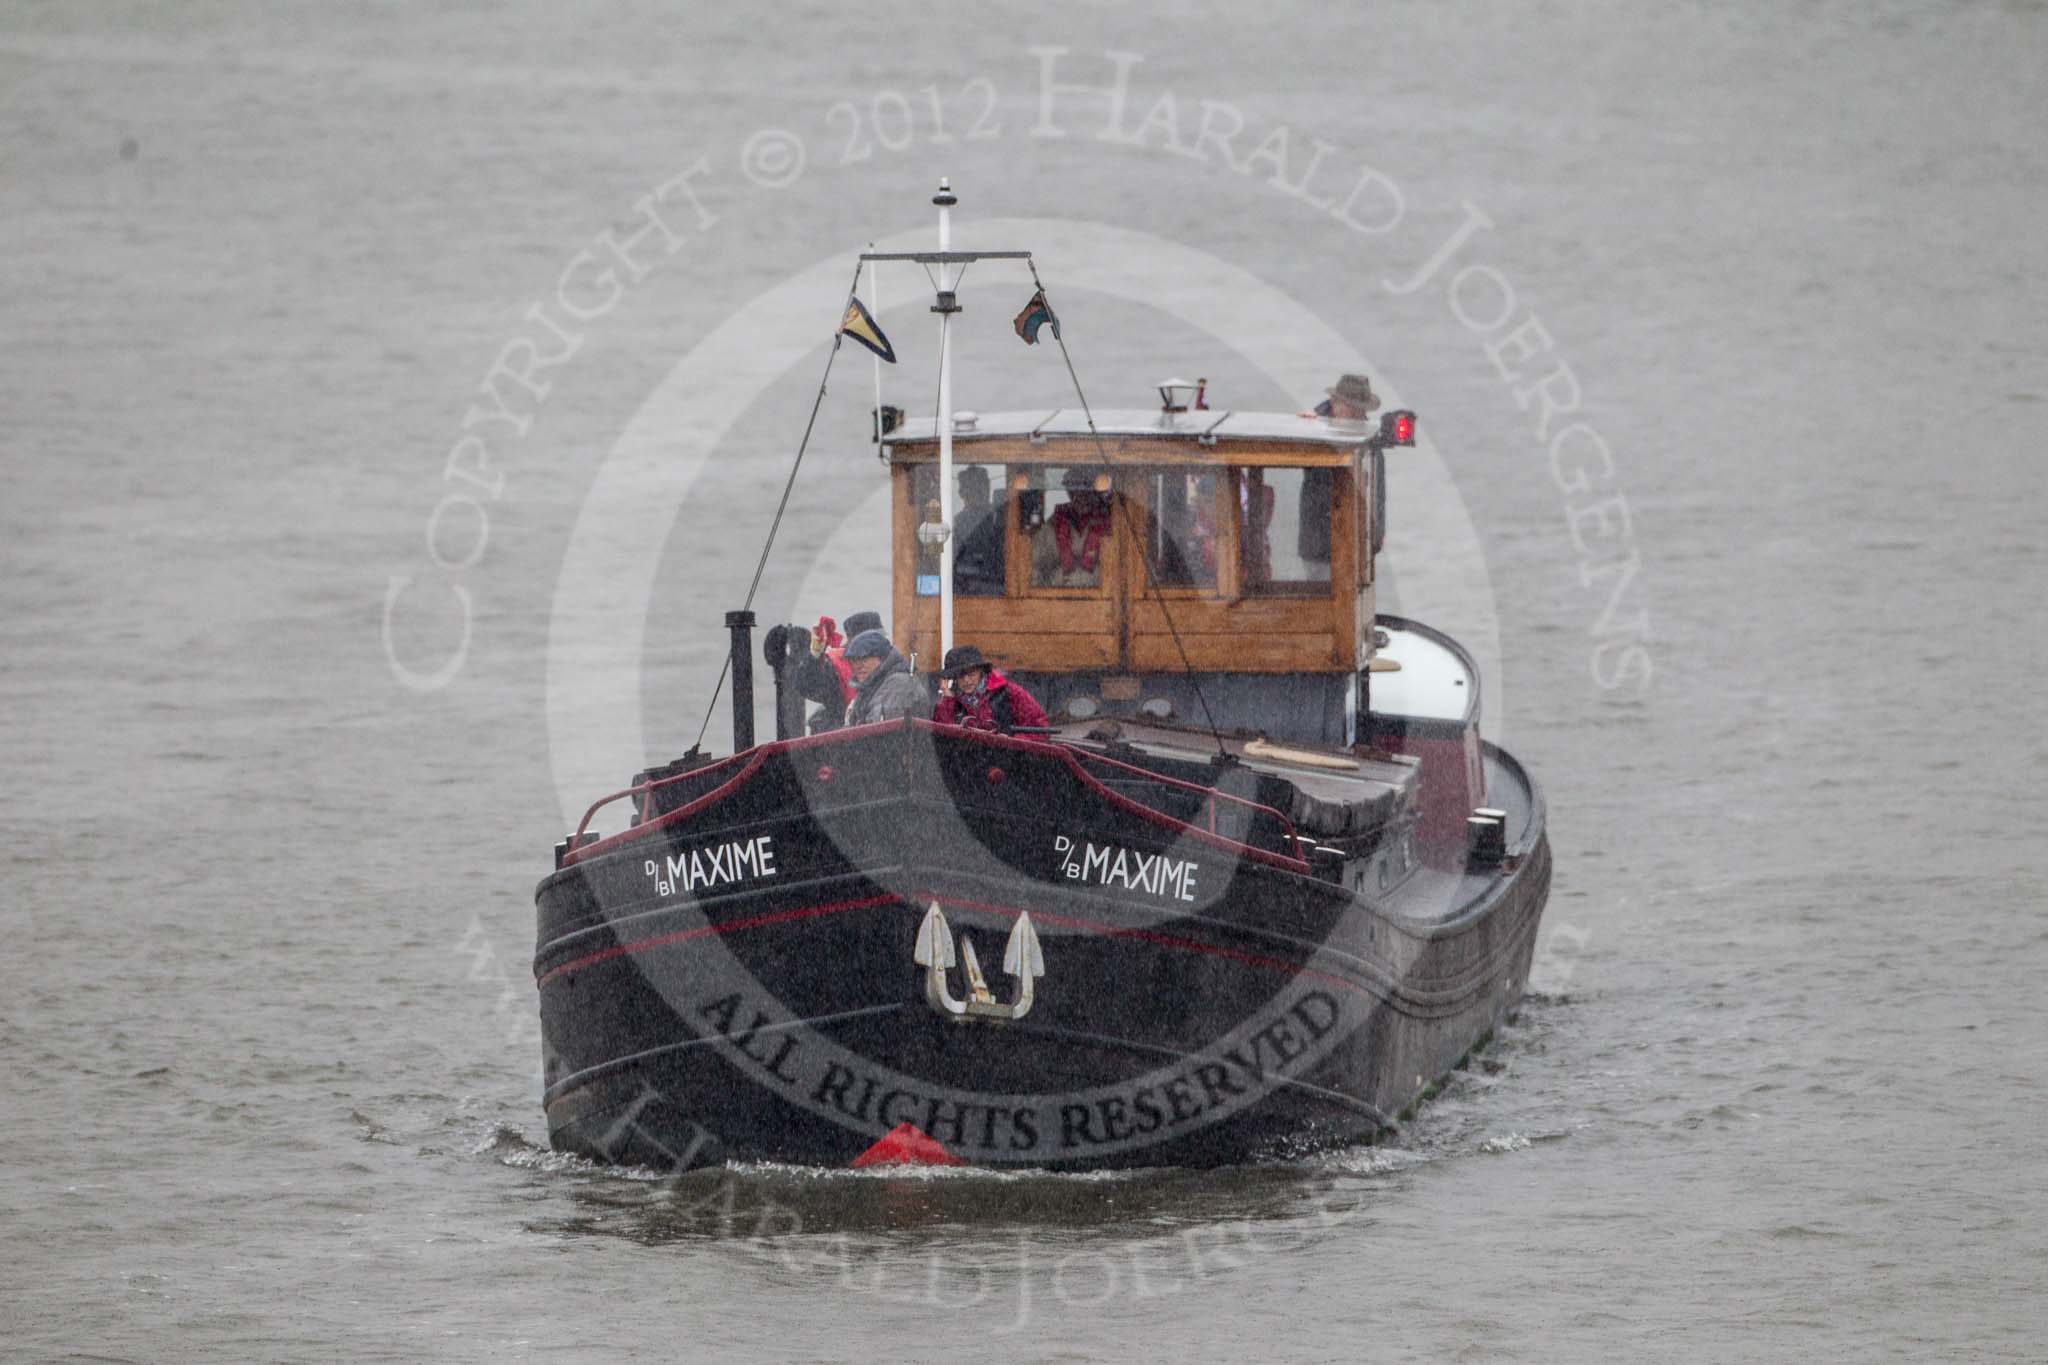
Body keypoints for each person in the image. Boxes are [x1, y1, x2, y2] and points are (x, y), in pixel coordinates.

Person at [787, 609, 882, 733]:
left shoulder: (890, 664)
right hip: (847, 743)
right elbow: (807, 686)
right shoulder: (836, 667)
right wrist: (815, 654)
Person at [933, 645, 1047, 734]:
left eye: (971, 674)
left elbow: (1039, 727)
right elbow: (943, 737)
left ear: (981, 672)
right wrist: (947, 698)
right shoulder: (950, 702)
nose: (967, 680)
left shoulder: (1009, 692)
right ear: (954, 678)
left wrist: (1011, 745)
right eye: (961, 676)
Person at [841, 629, 931, 726]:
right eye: (854, 660)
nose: (858, 666)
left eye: (864, 659)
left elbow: (885, 734)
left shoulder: (900, 685)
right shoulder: (869, 688)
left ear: (882, 657)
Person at [1048, 467, 1112, 585]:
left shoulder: (1110, 520)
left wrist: (1095, 576)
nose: (1080, 494)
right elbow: (1035, 562)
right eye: (1073, 489)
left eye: (1085, 488)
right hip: (1059, 595)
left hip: (1101, 597)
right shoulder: (1055, 521)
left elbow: (1118, 565)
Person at [953, 466, 1006, 595]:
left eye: (980, 487)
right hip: (961, 595)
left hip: (997, 593)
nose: (977, 493)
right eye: (971, 488)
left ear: (987, 489)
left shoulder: (1002, 519)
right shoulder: (956, 523)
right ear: (962, 492)